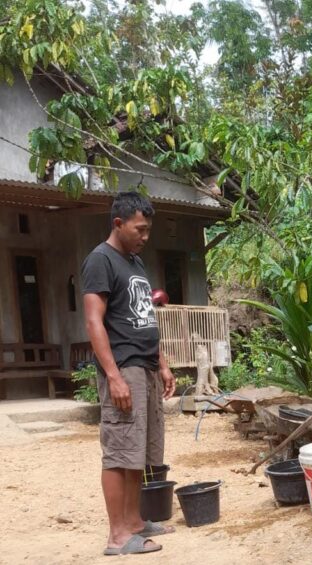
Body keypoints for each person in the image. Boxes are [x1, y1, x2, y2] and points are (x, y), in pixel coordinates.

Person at [82, 191, 176, 556]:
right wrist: (113, 375)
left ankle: (135, 521)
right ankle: (118, 536)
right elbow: (94, 322)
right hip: (123, 367)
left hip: (146, 366)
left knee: (138, 450)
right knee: (120, 451)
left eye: (148, 229)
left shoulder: (134, 262)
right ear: (117, 223)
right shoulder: (100, 260)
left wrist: (163, 363)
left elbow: (144, 318)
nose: (145, 236)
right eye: (140, 229)